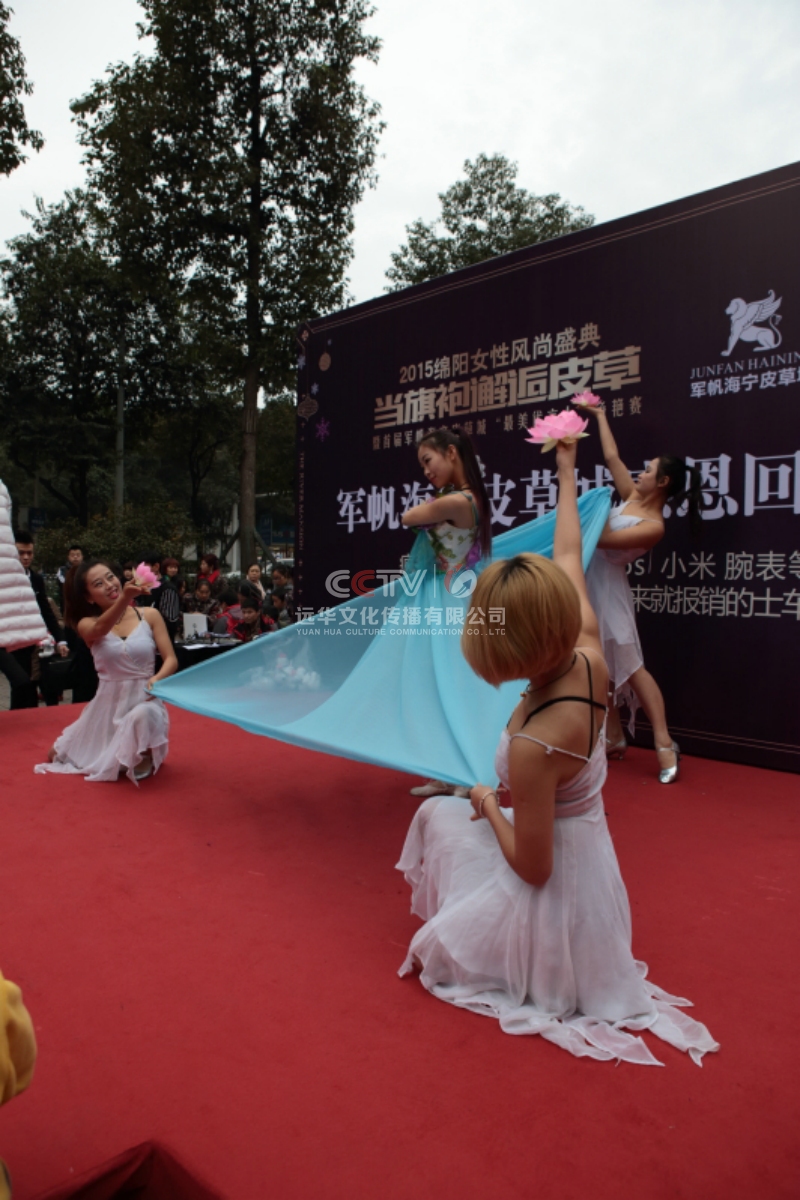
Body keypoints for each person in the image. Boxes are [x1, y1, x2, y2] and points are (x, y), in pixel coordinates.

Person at [396, 438, 718, 1067]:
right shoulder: (586, 650)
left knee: (444, 893)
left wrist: (487, 801)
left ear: (511, 649)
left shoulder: (534, 743)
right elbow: (570, 550)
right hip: (589, 853)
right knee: (435, 813)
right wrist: (567, 470)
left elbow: (534, 868)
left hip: (555, 887)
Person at [576, 400, 701, 782]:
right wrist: (600, 416)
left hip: (610, 592)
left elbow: (602, 539)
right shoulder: (631, 497)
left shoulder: (653, 526)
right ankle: (614, 736)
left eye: (648, 470)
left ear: (662, 482)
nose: (640, 474)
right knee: (599, 667)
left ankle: (663, 742)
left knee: (631, 668)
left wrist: (588, 508)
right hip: (588, 583)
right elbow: (612, 456)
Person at [403, 428, 491, 800]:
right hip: (444, 594)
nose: (426, 471)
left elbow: (408, 517)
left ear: (451, 453)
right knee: (436, 685)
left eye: (429, 461)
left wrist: (428, 507)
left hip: (453, 598)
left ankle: (468, 775)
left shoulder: (459, 500)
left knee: (456, 686)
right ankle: (444, 771)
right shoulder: (461, 497)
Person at [34, 560, 176, 783]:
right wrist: (125, 598)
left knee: (142, 715)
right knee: (57, 754)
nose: (109, 585)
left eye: (110, 577)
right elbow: (101, 629)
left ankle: (145, 751)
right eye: (99, 584)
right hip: (107, 707)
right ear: (89, 597)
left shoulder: (149, 615)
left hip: (145, 698)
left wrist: (157, 679)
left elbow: (171, 659)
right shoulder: (86, 624)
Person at [9, 530, 69, 708]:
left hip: (36, 641)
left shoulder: (35, 579)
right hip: (11, 641)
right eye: (21, 553)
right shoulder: (5, 579)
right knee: (21, 685)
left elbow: (45, 611)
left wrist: (60, 639)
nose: (26, 557)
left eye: (29, 553)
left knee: (41, 685)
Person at [56, 544, 84, 610]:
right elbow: (65, 584)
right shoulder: (62, 570)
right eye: (72, 555)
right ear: (68, 557)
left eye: (78, 555)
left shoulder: (87, 570)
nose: (75, 557)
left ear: (82, 556)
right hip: (67, 606)